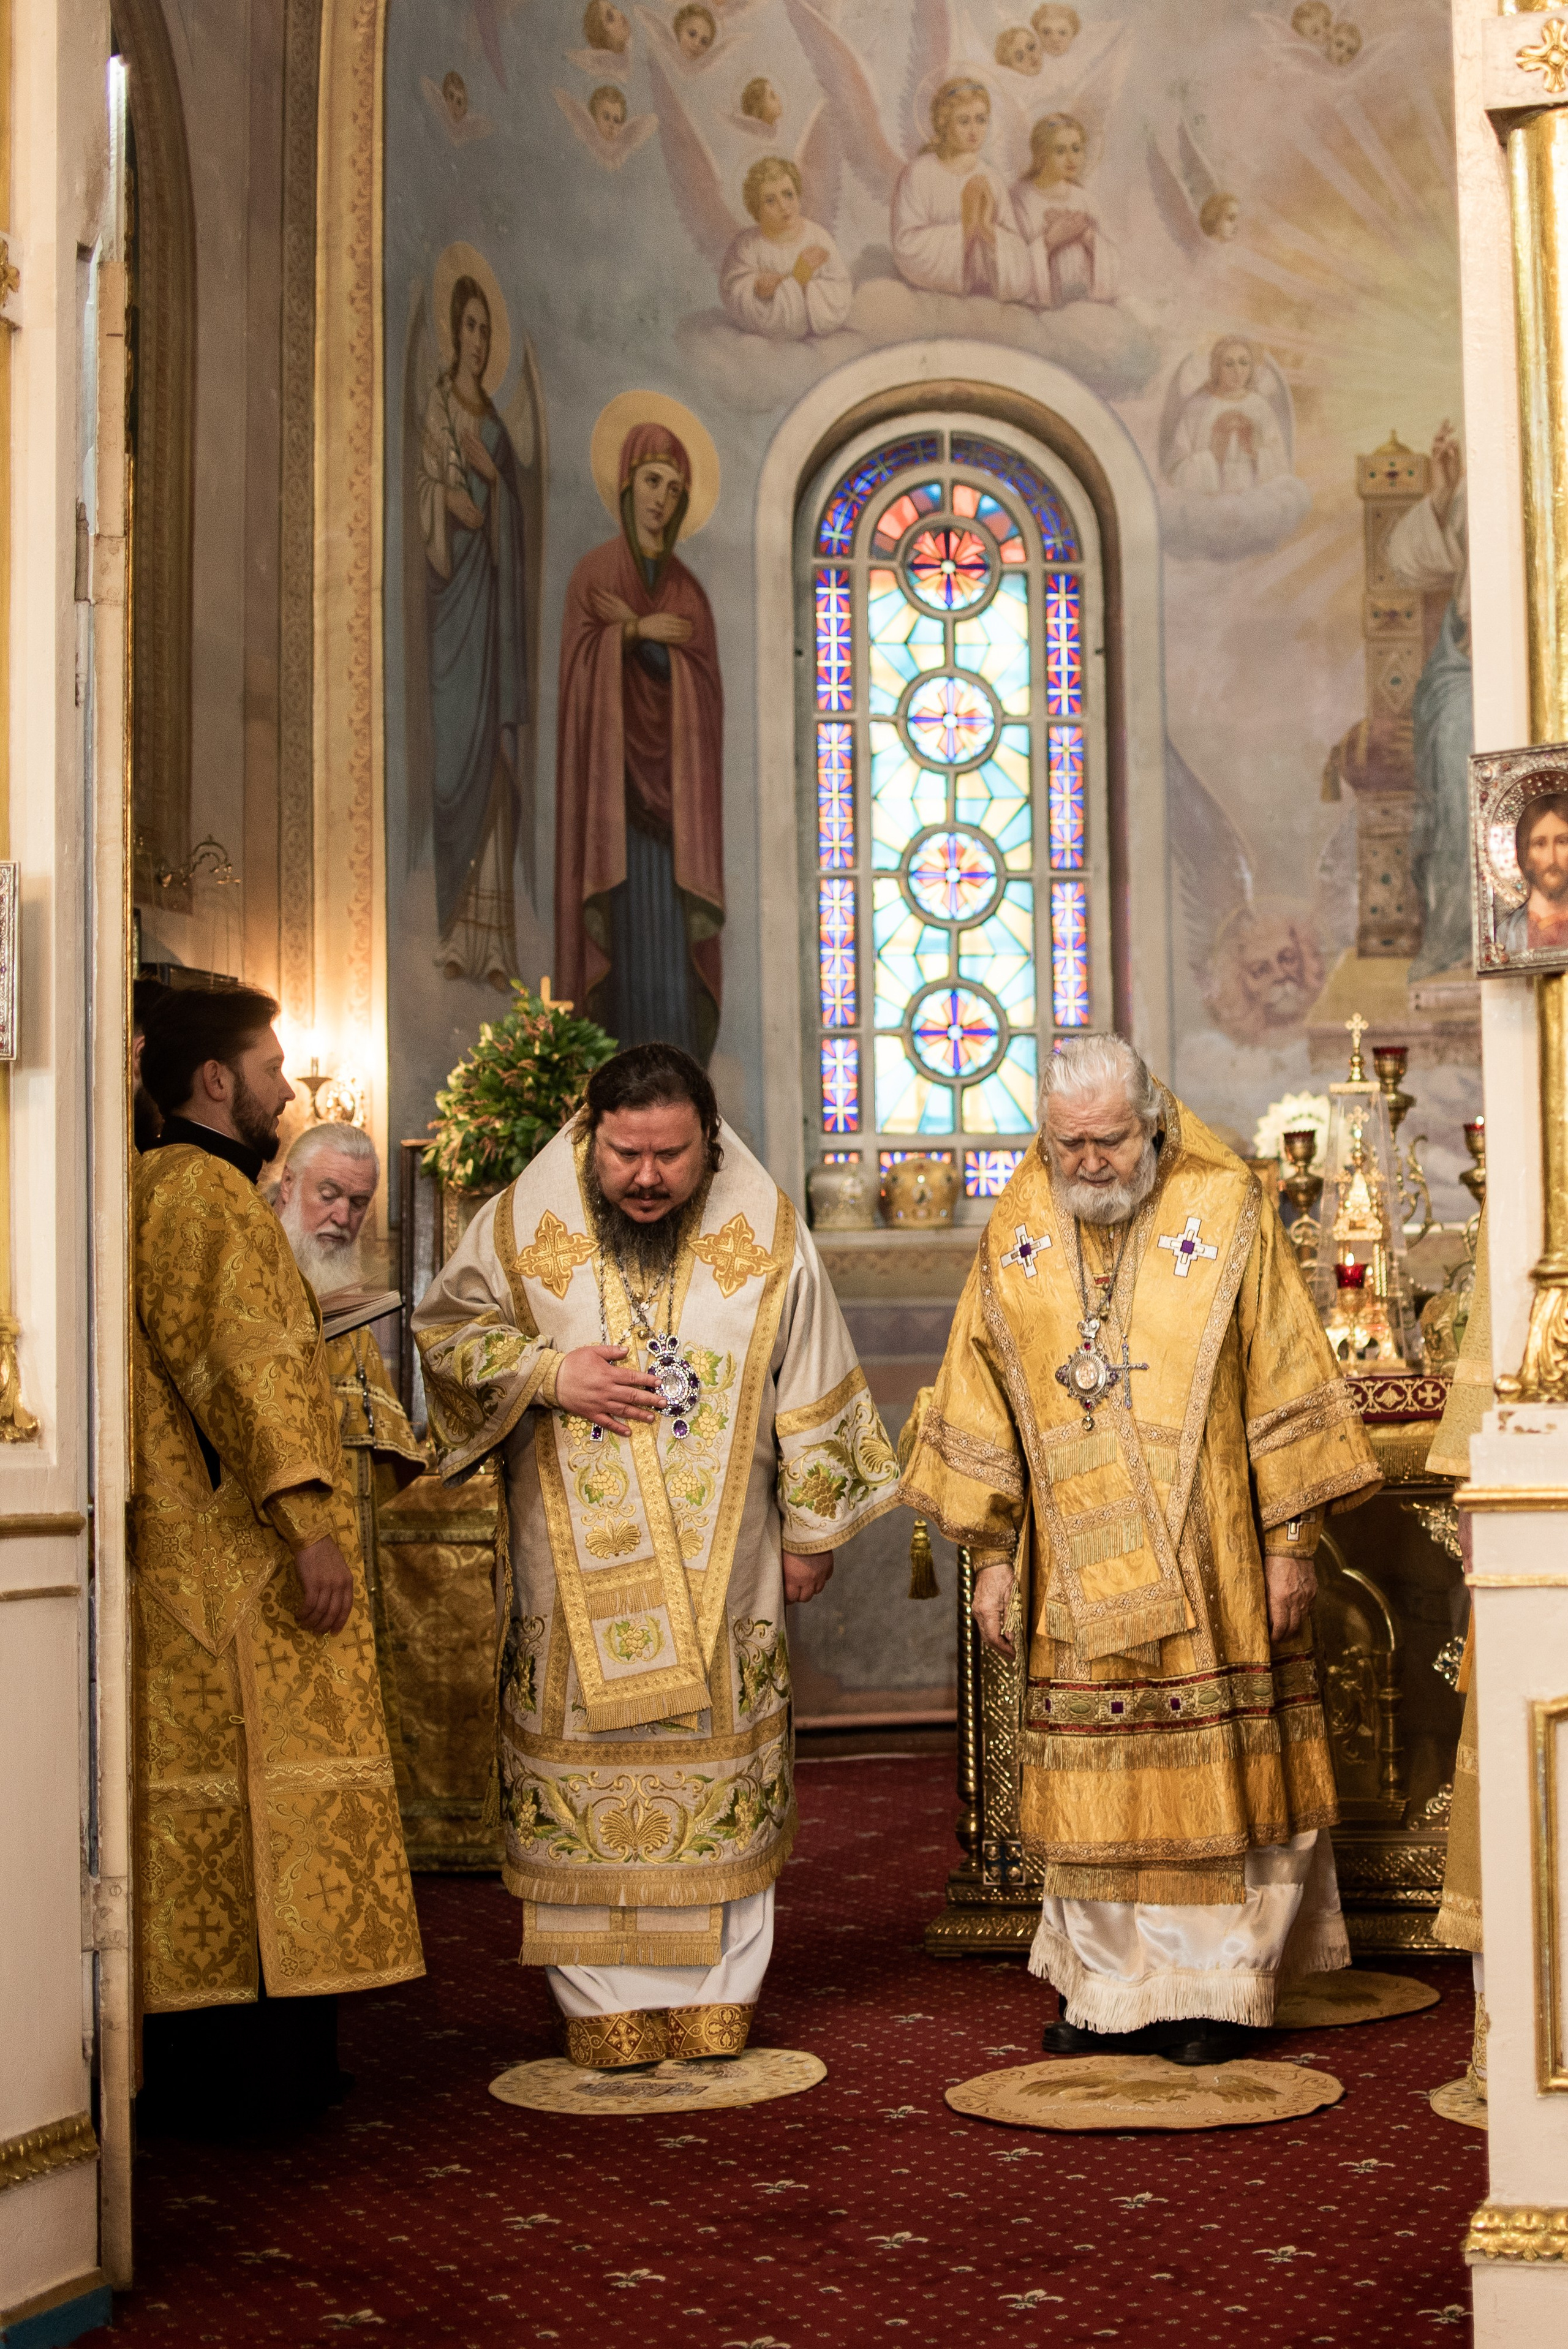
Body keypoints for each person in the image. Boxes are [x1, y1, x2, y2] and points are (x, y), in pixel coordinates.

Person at [412, 1042, 898, 2068]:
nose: (647, 1177)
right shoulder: (517, 1228)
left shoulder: (764, 1234)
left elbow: (811, 1371)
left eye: (672, 1156)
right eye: (627, 1153)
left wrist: (814, 1531)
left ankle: (722, 1997)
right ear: (590, 1137)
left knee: (722, 1745)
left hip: (731, 1575)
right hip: (569, 1572)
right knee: (584, 1753)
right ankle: (599, 2003)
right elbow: (445, 1332)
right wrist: (546, 1373)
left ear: (709, 1146)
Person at [899, 1033, 1380, 2062]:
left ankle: (1214, 1994)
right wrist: (990, 1552)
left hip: (1214, 1566)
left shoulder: (1227, 1207)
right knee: (1096, 1788)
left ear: (1152, 1123)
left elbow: (1287, 1375)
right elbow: (979, 1388)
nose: (1087, 1165)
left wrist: (1291, 1538)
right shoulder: (1019, 1221)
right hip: (1073, 1574)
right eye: (1066, 1144)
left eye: (1109, 1141)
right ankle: (1109, 1995)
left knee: (1218, 1780)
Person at [132, 988, 422, 2133]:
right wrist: (307, 1521)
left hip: (183, 1551)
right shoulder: (206, 1192)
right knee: (265, 1800)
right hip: (239, 1561)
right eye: (270, 1066)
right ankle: (263, 2076)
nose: (286, 1090)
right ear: (215, 1080)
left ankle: (224, 2068)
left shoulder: (151, 1182)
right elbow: (245, 1366)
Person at [554, 418, 725, 1060]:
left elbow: (704, 701)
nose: (662, 498)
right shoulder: (594, 576)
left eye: (676, 489)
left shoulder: (690, 594)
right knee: (623, 958)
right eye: (653, 481)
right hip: (614, 816)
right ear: (627, 484)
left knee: (670, 975)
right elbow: (578, 678)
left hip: (673, 828)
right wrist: (628, 634)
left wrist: (652, 638)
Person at [273, 1122, 428, 1790]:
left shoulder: (339, 1286)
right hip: (274, 1534)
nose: (343, 1216)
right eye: (329, 1194)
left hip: (343, 1532)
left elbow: (379, 1425)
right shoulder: (254, 1263)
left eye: (359, 1202)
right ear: (287, 1186)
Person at [417, 271, 529, 986]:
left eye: (488, 330)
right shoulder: (433, 410)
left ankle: (487, 941)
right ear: (452, 333)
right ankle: (449, 927)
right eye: (470, 327)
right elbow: (429, 487)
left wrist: (493, 484)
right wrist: (445, 502)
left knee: (491, 760)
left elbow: (512, 522)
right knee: (453, 752)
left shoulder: (495, 429)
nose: (479, 342)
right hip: (448, 604)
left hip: (489, 610)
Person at [1385, 421, 1471, 979]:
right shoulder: (1474, 487)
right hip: (1465, 671)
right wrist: (1443, 493)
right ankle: (1460, 934)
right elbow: (1407, 561)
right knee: (1457, 764)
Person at [891, 79, 1033, 302]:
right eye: (964, 121)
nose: (974, 130)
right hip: (932, 295)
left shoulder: (992, 180)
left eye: (981, 120)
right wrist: (967, 228)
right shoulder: (918, 173)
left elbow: (1020, 261)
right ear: (944, 123)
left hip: (986, 298)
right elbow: (906, 246)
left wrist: (986, 230)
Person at [720, 156, 851, 339]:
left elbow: (841, 289)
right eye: (770, 200)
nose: (783, 206)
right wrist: (757, 288)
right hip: (766, 345)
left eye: (788, 194)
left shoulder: (818, 237)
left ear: (797, 194)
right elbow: (733, 291)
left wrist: (804, 286)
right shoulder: (747, 246)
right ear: (757, 208)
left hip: (817, 341)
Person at [1013, 113, 1118, 309]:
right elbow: (1012, 263)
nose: (1072, 158)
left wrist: (1089, 238)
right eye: (1060, 151)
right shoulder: (1021, 198)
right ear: (1041, 155)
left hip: (1085, 304)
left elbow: (1114, 258)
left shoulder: (1084, 199)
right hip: (1039, 307)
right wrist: (1050, 241)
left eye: (1077, 149)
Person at [1167, 336, 1288, 496]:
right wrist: (1214, 453)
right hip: (1211, 503)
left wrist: (1253, 450)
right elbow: (1176, 472)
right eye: (1229, 364)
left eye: (1244, 363)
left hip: (1254, 500)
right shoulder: (1198, 407)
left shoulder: (1260, 407)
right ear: (1217, 368)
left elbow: (1281, 466)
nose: (1238, 371)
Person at [1498, 791, 1568, 956]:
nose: (1552, 859)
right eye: (1540, 844)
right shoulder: (1506, 933)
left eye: (1563, 842)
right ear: (1525, 854)